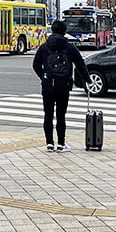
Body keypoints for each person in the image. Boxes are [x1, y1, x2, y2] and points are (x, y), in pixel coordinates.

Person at [32, 20, 89, 151]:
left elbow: (35, 65)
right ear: (64, 32)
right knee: (61, 116)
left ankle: (49, 143)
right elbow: (80, 64)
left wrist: (44, 76)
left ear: (52, 30)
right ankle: (61, 144)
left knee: (48, 115)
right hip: (63, 85)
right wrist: (87, 80)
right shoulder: (69, 47)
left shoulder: (44, 47)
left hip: (48, 86)